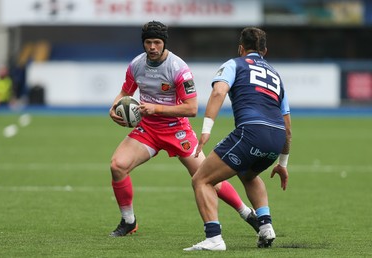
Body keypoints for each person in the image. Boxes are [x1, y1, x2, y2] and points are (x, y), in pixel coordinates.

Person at [108, 21, 260, 237]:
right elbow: (125, 92)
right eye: (148, 42)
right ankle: (128, 221)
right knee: (117, 166)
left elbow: (191, 108)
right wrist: (113, 107)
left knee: (208, 178)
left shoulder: (178, 68)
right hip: (148, 130)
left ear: (164, 43)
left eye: (157, 42)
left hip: (176, 130)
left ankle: (247, 213)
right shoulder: (136, 65)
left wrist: (156, 108)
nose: (152, 47)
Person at [184, 27, 292, 251]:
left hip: (252, 132)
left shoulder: (235, 63)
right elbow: (288, 127)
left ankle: (214, 239)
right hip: (277, 137)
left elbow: (218, 92)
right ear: (265, 51)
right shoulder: (276, 76)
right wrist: (282, 164)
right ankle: (265, 226)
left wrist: (206, 130)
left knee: (201, 179)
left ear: (241, 48)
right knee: (248, 174)